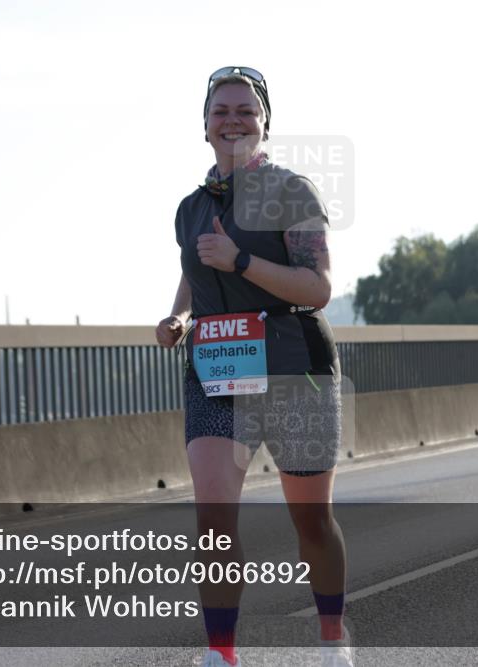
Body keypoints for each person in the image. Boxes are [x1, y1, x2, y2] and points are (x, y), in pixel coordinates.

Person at [156, 67, 353, 667]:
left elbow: (317, 287)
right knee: (213, 520)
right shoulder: (191, 208)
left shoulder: (291, 191)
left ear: (264, 122)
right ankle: (221, 654)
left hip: (296, 369)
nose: (233, 119)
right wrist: (177, 319)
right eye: (222, 111)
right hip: (217, 373)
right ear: (205, 126)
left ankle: (332, 641)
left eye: (245, 110)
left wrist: (241, 259)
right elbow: (197, 269)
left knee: (311, 520)